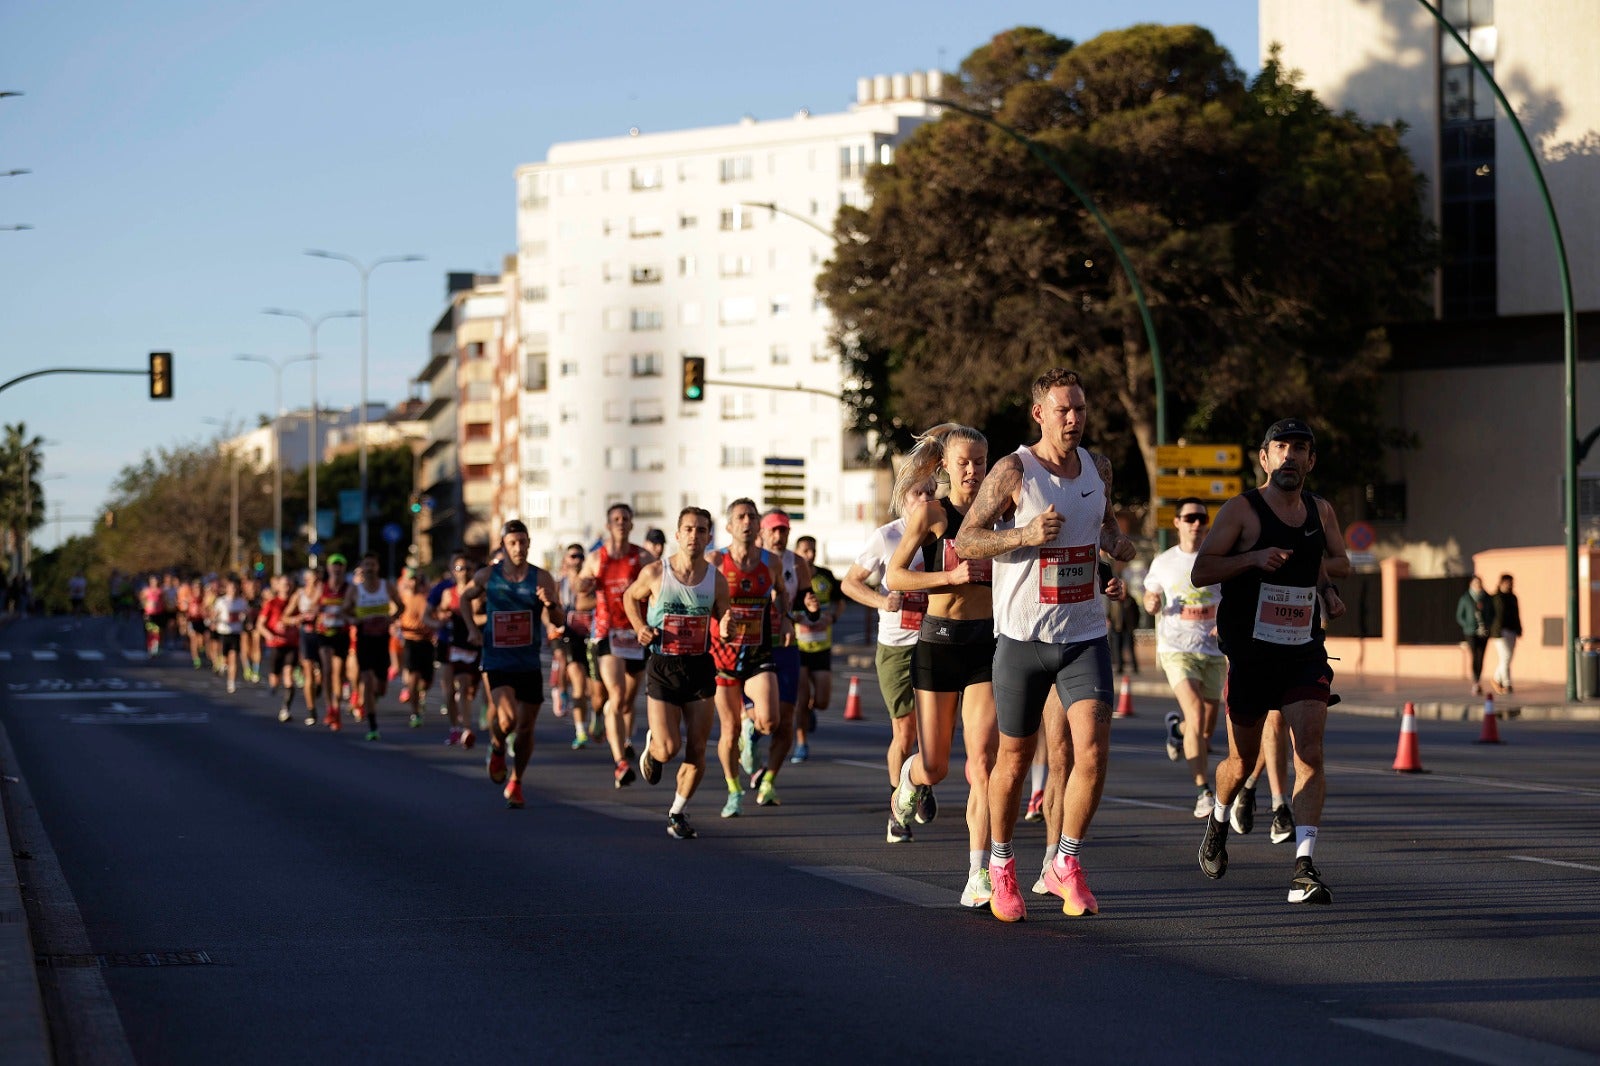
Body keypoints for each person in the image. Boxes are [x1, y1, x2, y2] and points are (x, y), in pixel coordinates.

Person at [953, 368, 1136, 922]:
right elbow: (965, 540)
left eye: (1080, 408)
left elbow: (1100, 530)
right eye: (1063, 410)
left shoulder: (1098, 466)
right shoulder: (1014, 470)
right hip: (1023, 639)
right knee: (1011, 761)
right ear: (1040, 413)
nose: (1074, 419)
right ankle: (1002, 866)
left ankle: (1065, 862)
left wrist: (1114, 552)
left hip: (1084, 635)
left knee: (1093, 754)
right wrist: (1023, 536)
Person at [1193, 418, 1350, 906]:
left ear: (1310, 460)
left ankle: (1303, 866)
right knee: (1242, 761)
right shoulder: (1243, 510)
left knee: (1311, 752)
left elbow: (1338, 558)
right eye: (1280, 447)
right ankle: (1219, 818)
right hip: (1251, 653)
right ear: (1264, 458)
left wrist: (1325, 585)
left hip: (1303, 650)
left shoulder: (1320, 511)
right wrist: (1252, 559)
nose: (1289, 456)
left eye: (1299, 449)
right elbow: (1202, 569)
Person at [887, 423, 1001, 908]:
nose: (973, 470)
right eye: (964, 462)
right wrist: (948, 576)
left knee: (984, 765)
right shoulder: (932, 514)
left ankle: (978, 873)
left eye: (980, 461)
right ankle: (909, 780)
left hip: (986, 645)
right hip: (938, 643)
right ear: (946, 467)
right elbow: (895, 573)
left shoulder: (1004, 514)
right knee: (936, 766)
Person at [624, 507, 731, 839]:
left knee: (698, 749)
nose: (694, 536)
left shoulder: (716, 578)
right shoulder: (656, 572)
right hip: (663, 664)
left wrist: (727, 625)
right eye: (688, 529)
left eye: (701, 530)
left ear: (709, 536)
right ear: (677, 534)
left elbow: (724, 615)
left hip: (699, 665)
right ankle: (653, 746)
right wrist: (641, 626)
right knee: (668, 748)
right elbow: (629, 597)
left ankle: (677, 811)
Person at [841, 476, 934, 843]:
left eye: (931, 491)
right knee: (906, 732)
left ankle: (921, 782)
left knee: (935, 733)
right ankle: (899, 807)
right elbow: (849, 583)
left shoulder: (946, 534)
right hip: (896, 646)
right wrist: (883, 601)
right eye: (917, 493)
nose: (926, 498)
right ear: (902, 500)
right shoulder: (887, 536)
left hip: (936, 642)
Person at [459, 521, 563, 809]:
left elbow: (560, 621)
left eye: (523, 542)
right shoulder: (487, 576)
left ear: (529, 543)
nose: (518, 547)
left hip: (528, 661)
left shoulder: (541, 578)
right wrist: (472, 629)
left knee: (527, 728)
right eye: (512, 542)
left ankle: (516, 780)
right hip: (497, 659)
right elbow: (464, 599)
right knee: (507, 720)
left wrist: (551, 604)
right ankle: (496, 747)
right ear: (503, 545)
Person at [707, 498, 791, 817]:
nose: (746, 521)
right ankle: (733, 791)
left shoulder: (770, 562)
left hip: (758, 648)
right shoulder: (715, 560)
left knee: (770, 721)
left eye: (752, 517)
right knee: (727, 731)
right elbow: (699, 598)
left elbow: (781, 592)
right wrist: (719, 618)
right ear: (729, 526)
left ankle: (751, 727)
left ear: (758, 527)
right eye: (740, 517)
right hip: (722, 652)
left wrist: (783, 618)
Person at [1143, 498, 1225, 818]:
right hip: (1177, 648)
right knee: (1195, 712)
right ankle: (1203, 791)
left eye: (1201, 518)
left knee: (1205, 728)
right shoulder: (1164, 562)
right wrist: (1151, 602)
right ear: (1177, 522)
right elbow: (1151, 594)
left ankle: (1177, 731)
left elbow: (1231, 595)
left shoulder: (1218, 558)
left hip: (1214, 649)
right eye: (1189, 518)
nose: (1196, 523)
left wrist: (1225, 619)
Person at [581, 503, 650, 787]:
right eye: (616, 519)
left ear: (632, 525)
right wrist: (583, 583)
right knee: (617, 695)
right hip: (608, 632)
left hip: (636, 634)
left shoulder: (641, 557)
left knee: (626, 702)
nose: (621, 523)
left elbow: (657, 587)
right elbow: (580, 585)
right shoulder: (598, 558)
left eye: (626, 519)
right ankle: (621, 763)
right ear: (608, 525)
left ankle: (608, 717)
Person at [746, 509, 810, 805]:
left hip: (786, 645)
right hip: (754, 645)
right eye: (773, 530)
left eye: (783, 530)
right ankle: (750, 735)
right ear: (761, 532)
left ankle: (768, 780)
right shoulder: (751, 561)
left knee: (785, 722)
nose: (778, 536)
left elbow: (810, 607)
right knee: (762, 719)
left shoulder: (797, 564)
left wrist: (811, 607)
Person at [790, 534, 844, 763]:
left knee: (822, 700)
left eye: (812, 550)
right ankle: (801, 743)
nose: (809, 555)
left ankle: (811, 710)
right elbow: (781, 606)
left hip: (822, 647)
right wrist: (796, 618)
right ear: (797, 553)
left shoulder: (826, 577)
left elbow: (840, 602)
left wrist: (831, 617)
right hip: (799, 647)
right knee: (800, 699)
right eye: (805, 551)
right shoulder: (790, 577)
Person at [351, 553, 403, 741]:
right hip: (364, 639)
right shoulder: (355, 590)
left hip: (382, 639)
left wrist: (391, 618)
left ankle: (374, 697)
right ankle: (372, 725)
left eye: (372, 564)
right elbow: (346, 610)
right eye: (366, 565)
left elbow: (400, 606)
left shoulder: (386, 586)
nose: (370, 568)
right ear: (362, 568)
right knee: (366, 679)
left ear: (377, 567)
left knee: (381, 686)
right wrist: (355, 620)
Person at [554, 544, 601, 749]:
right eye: (573, 556)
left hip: (592, 637)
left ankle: (597, 715)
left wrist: (593, 602)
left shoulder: (592, 583)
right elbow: (551, 609)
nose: (577, 559)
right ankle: (580, 731)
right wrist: (551, 624)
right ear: (566, 560)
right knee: (579, 686)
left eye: (581, 556)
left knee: (597, 693)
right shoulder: (560, 584)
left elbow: (600, 602)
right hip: (569, 637)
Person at [257, 573, 301, 721]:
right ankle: (274, 686)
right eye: (284, 584)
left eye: (289, 584)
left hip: (292, 644)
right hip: (276, 644)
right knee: (275, 679)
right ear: (278, 586)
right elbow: (260, 625)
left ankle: (285, 710)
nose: (287, 587)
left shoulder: (297, 602)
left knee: (289, 676)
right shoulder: (271, 603)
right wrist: (269, 635)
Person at [209, 574, 250, 695]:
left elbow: (247, 615)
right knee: (225, 657)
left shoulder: (242, 602)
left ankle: (231, 682)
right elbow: (214, 614)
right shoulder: (221, 601)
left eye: (235, 588)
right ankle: (222, 664)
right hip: (224, 631)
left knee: (234, 659)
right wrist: (215, 621)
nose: (233, 590)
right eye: (231, 588)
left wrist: (245, 620)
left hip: (236, 632)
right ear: (227, 589)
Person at [1456, 575, 1491, 697]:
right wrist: (1467, 625)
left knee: (1481, 656)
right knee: (1474, 654)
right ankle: (1475, 681)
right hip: (1470, 632)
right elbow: (1460, 616)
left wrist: (1487, 624)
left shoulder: (1487, 598)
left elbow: (1492, 613)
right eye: (1476, 583)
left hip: (1483, 631)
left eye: (1479, 583)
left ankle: (1478, 679)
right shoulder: (1465, 598)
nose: (1478, 585)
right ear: (1471, 584)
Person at [1490, 573, 1521, 694]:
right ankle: (1507, 683)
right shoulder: (1496, 597)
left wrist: (1519, 628)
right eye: (1508, 582)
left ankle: (1496, 679)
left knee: (1507, 658)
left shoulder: (1513, 597)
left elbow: (1516, 614)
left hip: (1512, 630)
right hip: (1499, 631)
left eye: (1511, 582)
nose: (1510, 585)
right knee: (1506, 656)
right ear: (1502, 583)